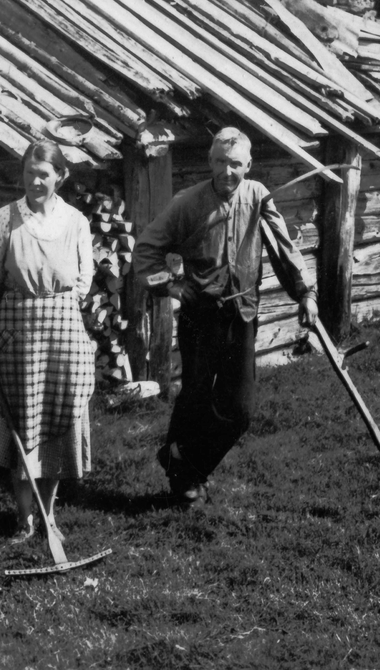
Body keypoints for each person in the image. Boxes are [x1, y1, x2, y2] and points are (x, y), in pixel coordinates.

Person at [134, 127, 318, 507]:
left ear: (248, 165)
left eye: (236, 164)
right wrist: (169, 285)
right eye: (220, 162)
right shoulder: (189, 204)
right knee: (197, 397)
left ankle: (182, 460)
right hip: (201, 316)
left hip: (243, 313)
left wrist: (305, 293)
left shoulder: (258, 196)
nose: (227, 172)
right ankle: (186, 479)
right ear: (210, 161)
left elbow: (284, 248)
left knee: (239, 411)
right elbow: (145, 250)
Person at [0, 139, 96, 543]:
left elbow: (83, 279)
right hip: (17, 333)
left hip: (63, 333)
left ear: (60, 177)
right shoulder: (5, 218)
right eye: (29, 172)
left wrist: (58, 307)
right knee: (22, 424)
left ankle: (50, 515)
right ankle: (24, 518)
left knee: (58, 421)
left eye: (43, 173)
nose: (35, 181)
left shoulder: (76, 221)